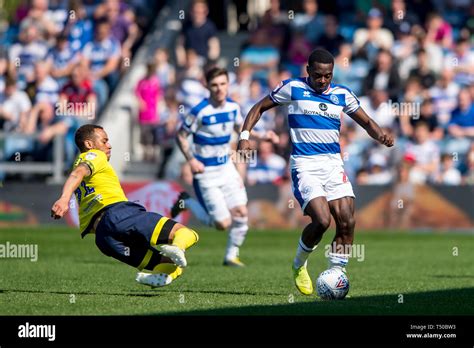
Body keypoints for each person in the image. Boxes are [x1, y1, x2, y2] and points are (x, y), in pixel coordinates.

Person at [237, 48, 394, 295]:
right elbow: (258, 107)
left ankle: (337, 273)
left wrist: (381, 135)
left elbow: (366, 121)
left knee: (347, 220)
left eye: (328, 76)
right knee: (322, 220)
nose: (323, 81)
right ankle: (299, 264)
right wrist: (244, 136)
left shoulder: (342, 94)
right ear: (308, 70)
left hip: (333, 165)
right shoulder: (292, 88)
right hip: (305, 165)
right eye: (318, 75)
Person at [51, 124, 199, 288]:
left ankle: (162, 276)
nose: (109, 145)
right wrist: (64, 198)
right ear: (89, 144)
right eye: (105, 141)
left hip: (104, 238)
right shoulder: (94, 155)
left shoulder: (85, 167)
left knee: (168, 262)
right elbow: (77, 173)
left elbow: (77, 175)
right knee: (186, 233)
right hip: (118, 215)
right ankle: (178, 248)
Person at [170, 67, 254, 267]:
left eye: (223, 84)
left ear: (228, 84)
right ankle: (187, 201)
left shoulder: (233, 107)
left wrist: (260, 135)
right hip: (206, 173)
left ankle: (231, 256)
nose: (219, 89)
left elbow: (240, 129)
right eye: (214, 85)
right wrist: (191, 160)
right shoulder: (199, 111)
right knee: (222, 225)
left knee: (242, 213)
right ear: (206, 86)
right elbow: (181, 135)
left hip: (226, 168)